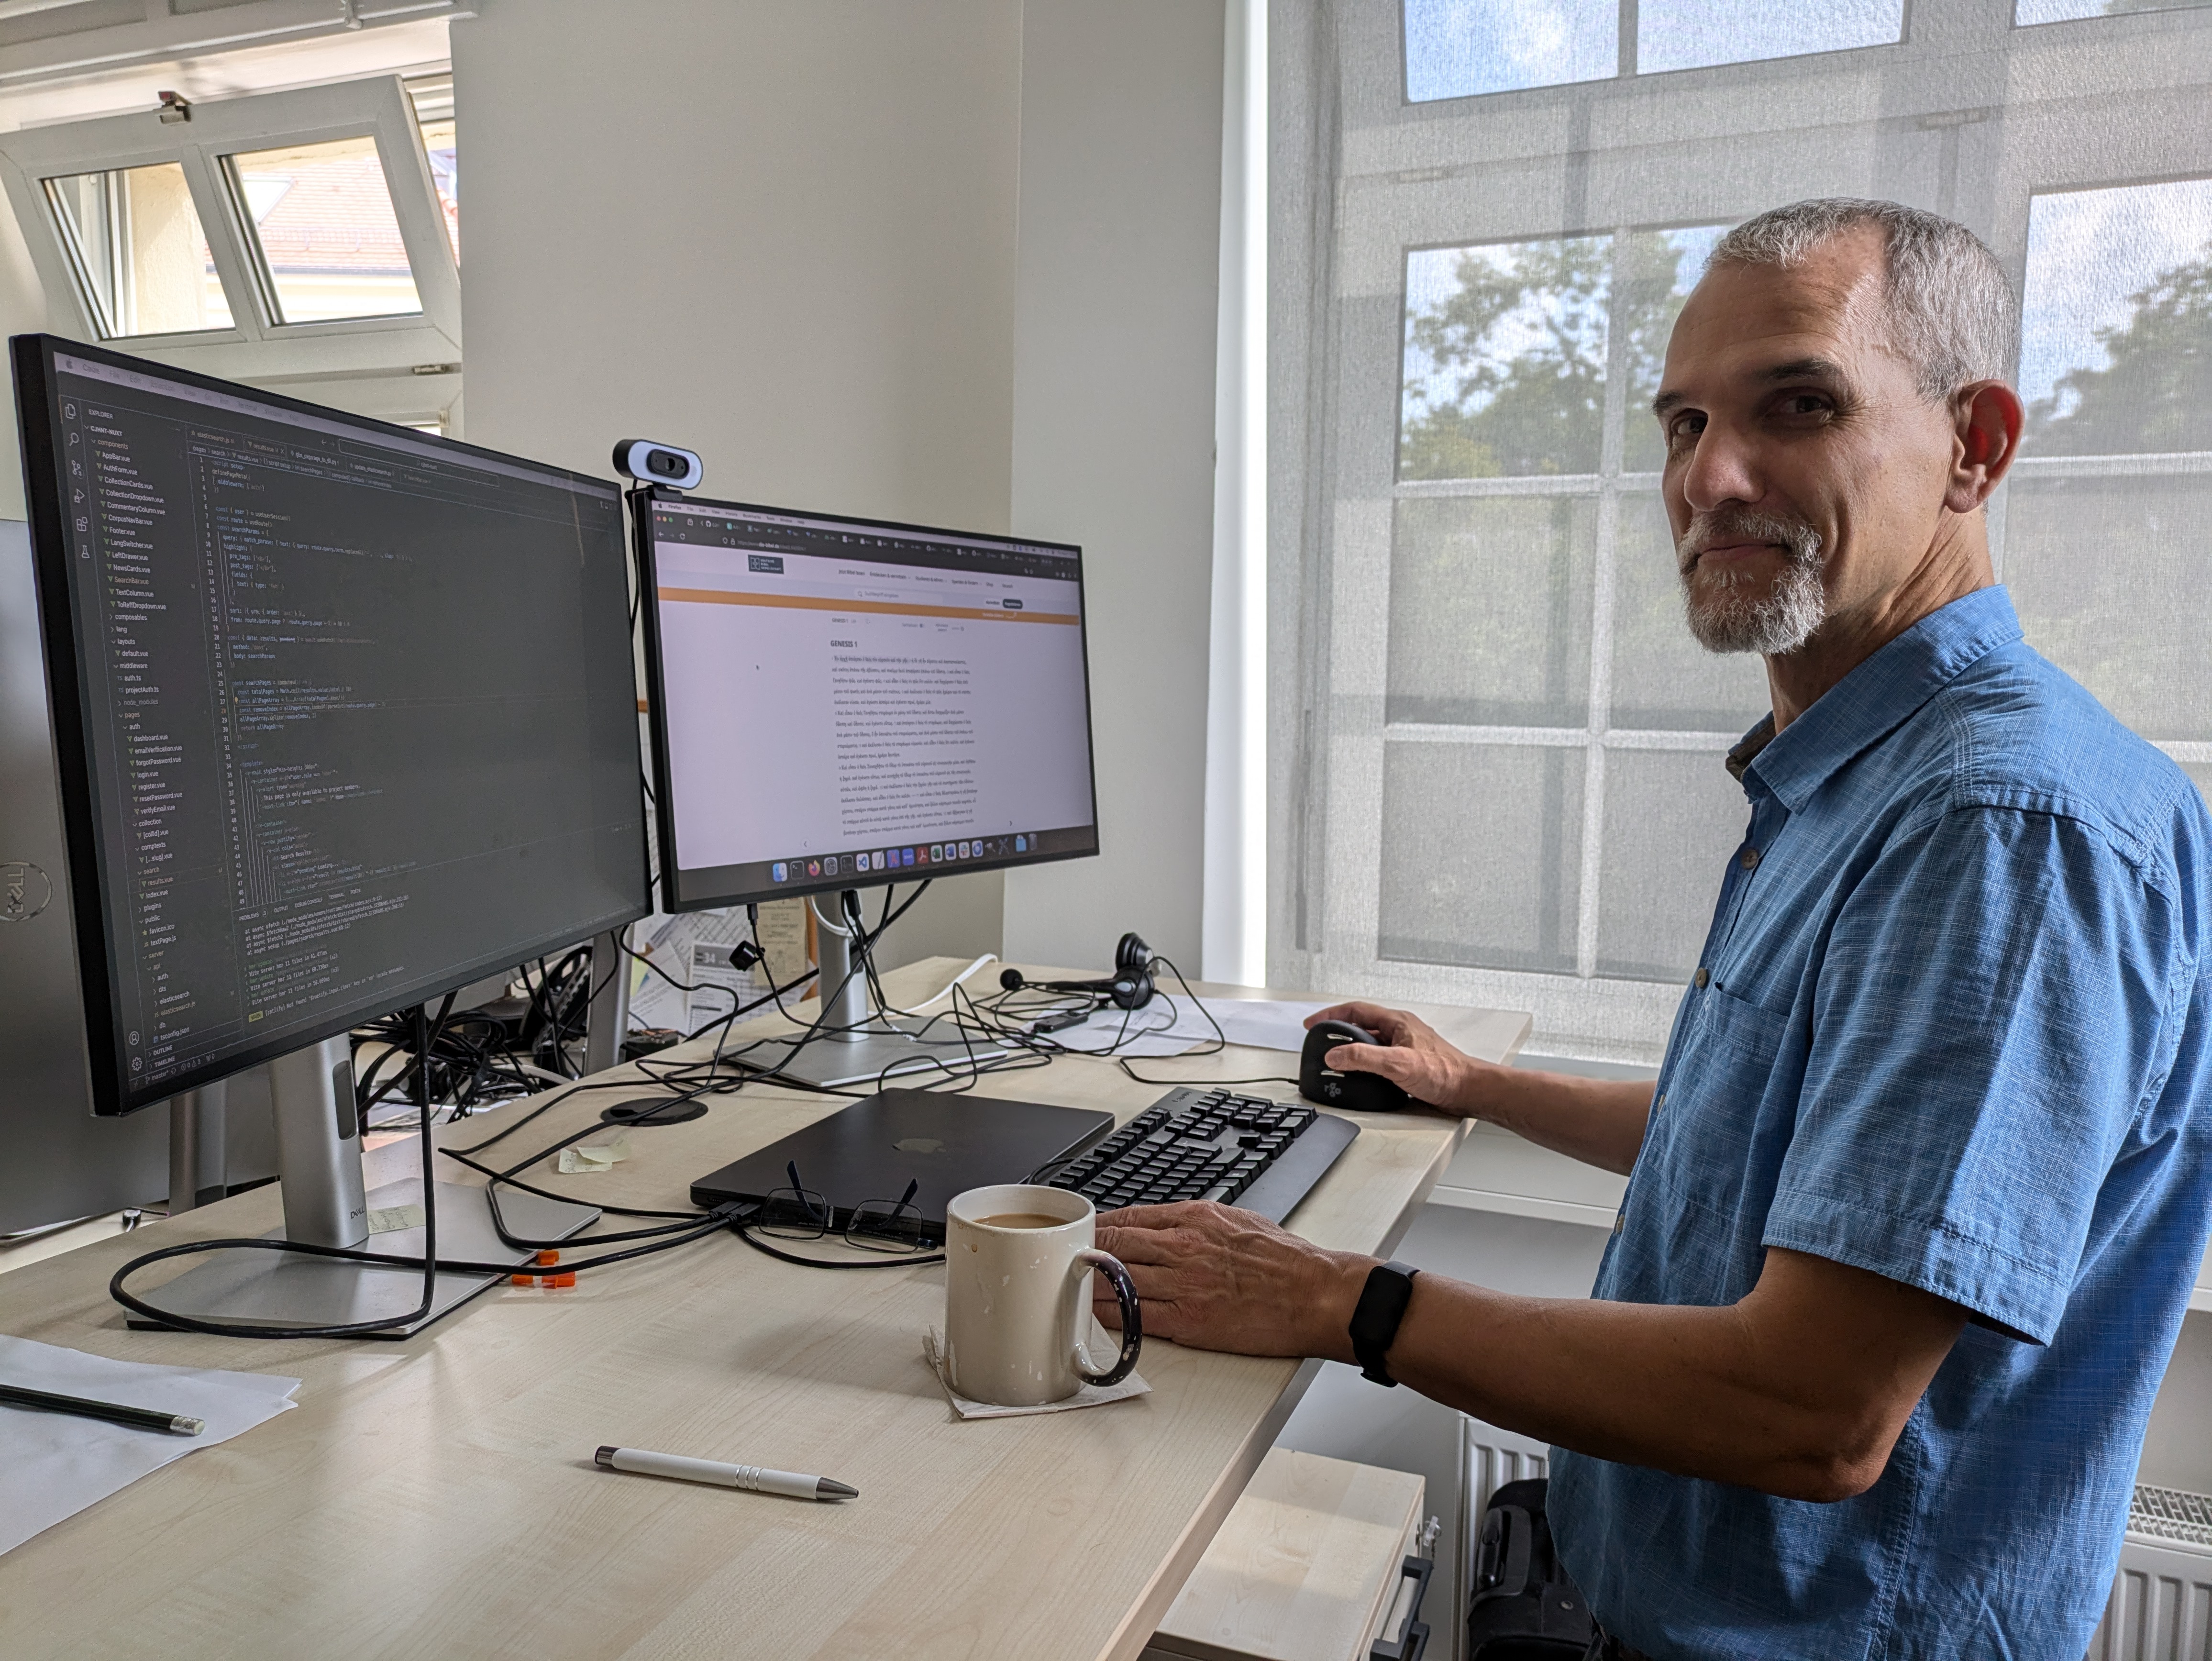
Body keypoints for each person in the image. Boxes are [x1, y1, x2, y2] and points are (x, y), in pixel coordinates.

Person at [1096, 199, 2212, 1660]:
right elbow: (1781, 1146)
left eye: (1795, 406)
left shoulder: (1997, 829)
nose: (1712, 478)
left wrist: (1340, 1304)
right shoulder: (1862, 777)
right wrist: (1479, 1089)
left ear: (1977, 445)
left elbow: (1813, 1412)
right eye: (1683, 424)